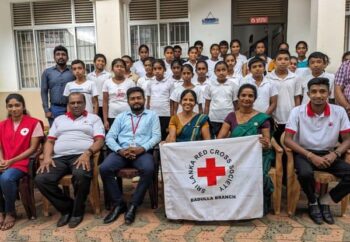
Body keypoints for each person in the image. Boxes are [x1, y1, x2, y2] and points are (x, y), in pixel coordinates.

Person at [284, 77, 350, 225]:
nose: (318, 95)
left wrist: (335, 154)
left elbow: (347, 139)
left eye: (322, 91)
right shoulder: (297, 111)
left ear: (329, 93)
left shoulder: (339, 111)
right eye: (314, 91)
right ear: (308, 94)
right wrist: (310, 156)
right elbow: (287, 139)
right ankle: (313, 201)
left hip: (329, 154)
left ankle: (326, 200)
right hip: (304, 153)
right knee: (305, 173)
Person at [35, 92, 105, 228]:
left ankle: (77, 213)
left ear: (85, 104)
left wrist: (87, 153)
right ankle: (67, 208)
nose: (76, 105)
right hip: (59, 158)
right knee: (41, 179)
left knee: (81, 175)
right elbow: (50, 141)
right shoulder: (59, 119)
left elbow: (100, 140)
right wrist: (47, 157)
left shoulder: (94, 118)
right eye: (72, 103)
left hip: (81, 156)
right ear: (68, 105)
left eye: (79, 102)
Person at [99, 87, 161, 225]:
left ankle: (133, 204)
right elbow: (110, 137)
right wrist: (120, 150)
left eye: (139, 98)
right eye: (132, 98)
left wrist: (142, 148)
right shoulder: (121, 117)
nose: (136, 101)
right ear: (128, 101)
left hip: (142, 152)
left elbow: (157, 136)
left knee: (149, 169)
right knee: (104, 168)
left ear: (144, 99)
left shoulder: (152, 115)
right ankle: (119, 204)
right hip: (122, 152)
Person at [217, 84, 274, 215]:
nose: (246, 98)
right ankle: (231, 204)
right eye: (243, 95)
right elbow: (220, 138)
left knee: (260, 176)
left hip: (258, 157)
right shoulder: (231, 116)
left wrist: (265, 143)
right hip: (235, 157)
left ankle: (260, 204)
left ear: (255, 98)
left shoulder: (262, 118)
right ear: (238, 98)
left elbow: (268, 143)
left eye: (250, 96)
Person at [0, 94, 43, 230]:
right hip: (4, 161)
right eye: (10, 106)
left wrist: (12, 160)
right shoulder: (2, 125)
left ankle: (10, 212)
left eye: (17, 105)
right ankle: (1, 211)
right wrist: (1, 160)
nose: (14, 109)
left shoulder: (34, 123)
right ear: (7, 108)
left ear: (23, 106)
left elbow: (33, 148)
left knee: (6, 178)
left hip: (22, 163)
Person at [266, 50, 301, 143]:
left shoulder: (295, 77)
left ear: (289, 61)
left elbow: (297, 98)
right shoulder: (268, 77)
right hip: (275, 118)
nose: (283, 61)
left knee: (290, 145)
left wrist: (296, 116)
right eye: (280, 59)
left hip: (291, 117)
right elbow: (268, 99)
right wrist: (270, 117)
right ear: (274, 61)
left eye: (286, 59)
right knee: (276, 145)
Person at [41, 45, 75, 126]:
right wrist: (46, 110)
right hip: (54, 109)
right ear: (54, 57)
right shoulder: (47, 72)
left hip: (71, 108)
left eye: (63, 54)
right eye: (58, 54)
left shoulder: (73, 72)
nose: (61, 56)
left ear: (67, 57)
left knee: (70, 132)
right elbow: (44, 91)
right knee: (55, 133)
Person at [204, 61, 239, 136]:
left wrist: (237, 118)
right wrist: (205, 119)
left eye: (223, 70)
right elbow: (207, 105)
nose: (221, 72)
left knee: (228, 140)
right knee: (216, 141)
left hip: (229, 118)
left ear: (227, 70)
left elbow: (236, 104)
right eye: (218, 70)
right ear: (214, 72)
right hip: (213, 119)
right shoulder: (210, 85)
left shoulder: (233, 85)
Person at [102, 58, 135, 131]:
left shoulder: (130, 83)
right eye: (117, 66)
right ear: (112, 69)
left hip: (127, 116)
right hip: (112, 116)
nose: (119, 68)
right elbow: (105, 102)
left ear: (125, 69)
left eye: (122, 66)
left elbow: (133, 101)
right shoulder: (107, 82)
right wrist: (105, 120)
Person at [146, 59, 174, 141]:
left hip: (166, 114)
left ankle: (163, 153)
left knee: (165, 137)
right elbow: (148, 101)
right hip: (153, 114)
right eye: (155, 69)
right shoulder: (150, 83)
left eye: (159, 68)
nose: (157, 71)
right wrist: (147, 115)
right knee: (154, 136)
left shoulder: (170, 82)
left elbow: (172, 102)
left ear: (164, 69)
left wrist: (172, 117)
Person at [87, 54, 112, 120]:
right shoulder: (89, 76)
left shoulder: (108, 75)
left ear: (105, 64)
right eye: (98, 60)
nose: (100, 63)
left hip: (104, 105)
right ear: (94, 62)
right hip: (93, 105)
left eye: (103, 61)